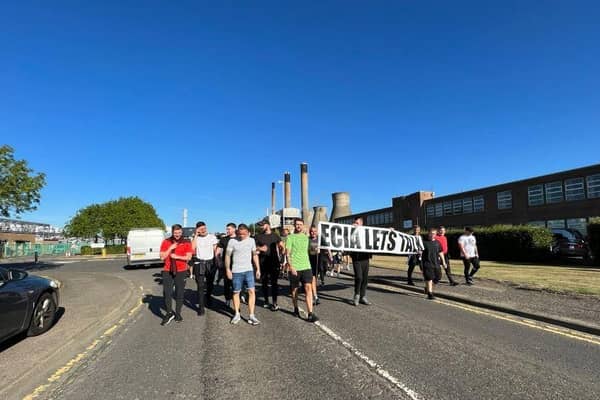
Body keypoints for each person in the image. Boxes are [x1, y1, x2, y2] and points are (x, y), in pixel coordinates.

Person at [225, 223, 261, 325]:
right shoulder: (232, 241)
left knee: (251, 291)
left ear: (248, 232)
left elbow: (254, 255)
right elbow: (227, 256)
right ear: (237, 232)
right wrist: (228, 269)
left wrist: (258, 269)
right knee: (236, 292)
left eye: (244, 234)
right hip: (236, 271)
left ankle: (252, 315)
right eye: (240, 234)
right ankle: (237, 314)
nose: (242, 236)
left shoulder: (251, 241)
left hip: (248, 270)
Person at [286, 218, 319, 322]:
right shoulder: (290, 237)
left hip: (306, 267)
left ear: (303, 226)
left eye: (300, 224)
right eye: (297, 224)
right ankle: (296, 308)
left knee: (308, 289)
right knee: (295, 290)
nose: (298, 226)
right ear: (294, 226)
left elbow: (311, 251)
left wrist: (316, 250)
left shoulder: (306, 238)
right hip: (295, 268)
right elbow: (287, 253)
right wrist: (291, 266)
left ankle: (310, 313)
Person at [159, 224, 193, 325]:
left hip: (181, 270)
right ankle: (169, 313)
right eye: (175, 233)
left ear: (181, 232)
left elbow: (189, 257)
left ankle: (178, 313)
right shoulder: (166, 242)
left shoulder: (186, 242)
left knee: (179, 293)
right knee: (167, 292)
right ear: (172, 232)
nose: (177, 235)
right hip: (167, 270)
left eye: (179, 233)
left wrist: (177, 256)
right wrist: (170, 248)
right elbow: (162, 257)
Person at [255, 218, 283, 311]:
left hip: (274, 262)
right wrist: (260, 248)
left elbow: (281, 245)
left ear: (267, 225)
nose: (261, 227)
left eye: (262, 225)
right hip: (263, 263)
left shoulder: (275, 235)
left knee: (274, 283)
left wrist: (283, 248)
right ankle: (266, 301)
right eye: (260, 225)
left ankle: (275, 303)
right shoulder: (258, 236)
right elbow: (253, 248)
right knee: (264, 283)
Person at [191, 221, 218, 315]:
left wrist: (217, 262)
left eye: (204, 228)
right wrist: (196, 235)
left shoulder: (212, 237)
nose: (203, 230)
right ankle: (201, 307)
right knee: (200, 286)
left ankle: (208, 297)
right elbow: (192, 249)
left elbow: (215, 250)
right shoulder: (196, 238)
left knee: (210, 284)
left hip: (210, 263)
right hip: (199, 263)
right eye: (201, 229)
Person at [349, 217, 371, 306]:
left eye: (357, 223)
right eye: (355, 223)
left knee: (365, 279)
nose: (355, 224)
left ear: (361, 223)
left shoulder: (366, 231)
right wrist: (354, 230)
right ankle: (357, 295)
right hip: (357, 257)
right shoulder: (352, 231)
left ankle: (363, 296)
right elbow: (351, 240)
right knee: (359, 277)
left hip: (365, 257)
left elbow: (378, 235)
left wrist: (389, 231)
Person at [421, 227, 447, 300]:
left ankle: (427, 288)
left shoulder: (437, 243)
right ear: (428, 233)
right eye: (431, 233)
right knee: (429, 278)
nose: (432, 235)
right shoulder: (424, 242)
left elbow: (441, 252)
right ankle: (430, 293)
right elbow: (420, 252)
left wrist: (444, 262)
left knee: (438, 277)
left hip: (436, 263)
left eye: (434, 234)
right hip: (427, 263)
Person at [217, 223, 236, 309]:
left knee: (237, 283)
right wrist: (219, 261)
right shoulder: (224, 239)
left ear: (234, 229)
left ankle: (238, 298)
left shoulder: (239, 238)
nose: (227, 231)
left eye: (229, 229)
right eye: (227, 229)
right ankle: (227, 299)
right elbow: (217, 252)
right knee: (227, 284)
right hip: (227, 265)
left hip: (238, 265)